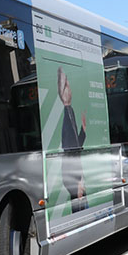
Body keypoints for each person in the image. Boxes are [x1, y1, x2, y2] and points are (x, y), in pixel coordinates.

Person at [57, 67, 87, 210]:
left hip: (75, 177)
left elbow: (74, 145)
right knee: (79, 208)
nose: (69, 87)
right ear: (62, 93)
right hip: (73, 177)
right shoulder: (67, 115)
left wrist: (83, 131)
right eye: (66, 85)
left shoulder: (70, 112)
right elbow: (70, 149)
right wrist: (78, 182)